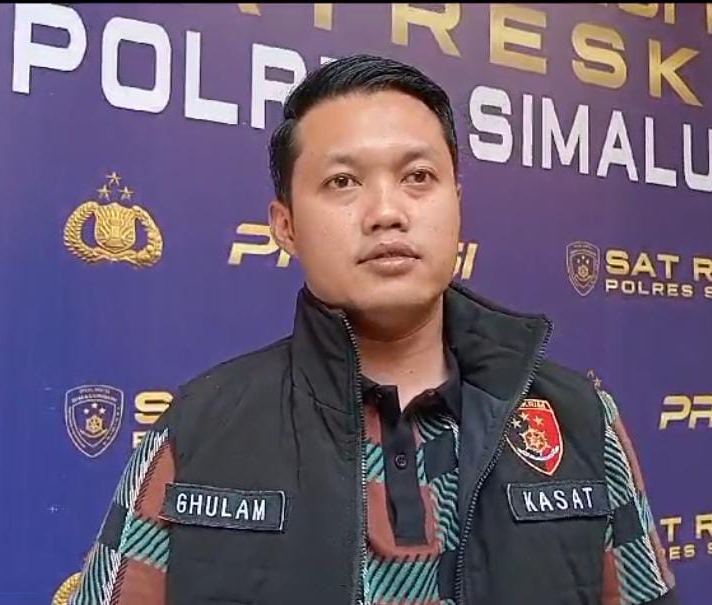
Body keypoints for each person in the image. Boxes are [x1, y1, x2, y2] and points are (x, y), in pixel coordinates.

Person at [68, 54, 677, 605]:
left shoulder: (580, 419)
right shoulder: (200, 429)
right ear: (285, 226)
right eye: (342, 182)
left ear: (457, 201)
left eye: (418, 177)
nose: (387, 212)